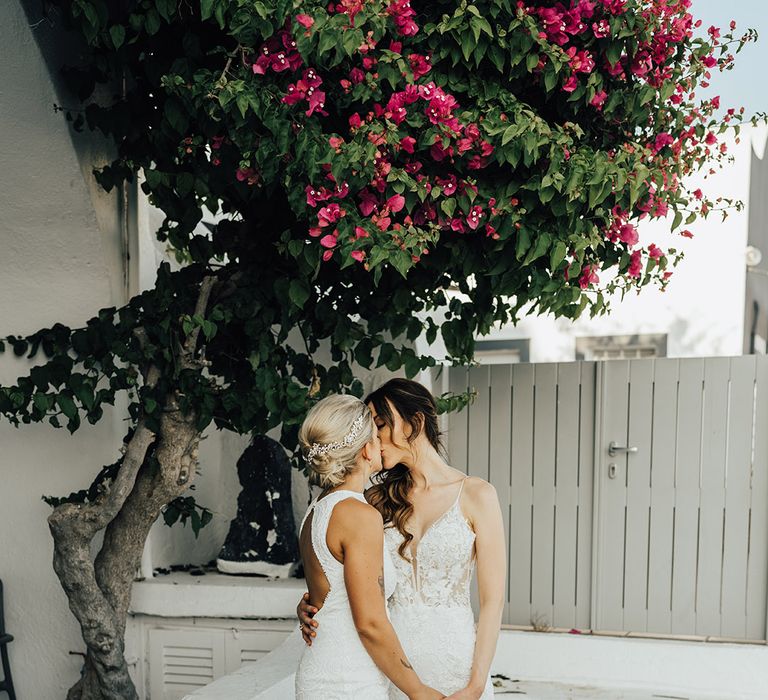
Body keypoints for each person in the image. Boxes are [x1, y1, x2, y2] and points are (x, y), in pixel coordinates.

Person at [299, 379, 506, 699]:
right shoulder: (370, 502)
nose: (374, 436)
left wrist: (476, 683)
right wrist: (315, 602)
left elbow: (492, 602)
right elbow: (345, 576)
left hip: (457, 667)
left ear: (415, 423)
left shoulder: (478, 495)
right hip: (391, 670)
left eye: (380, 424)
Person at [295, 393, 444, 700]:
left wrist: (305, 608)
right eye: (376, 436)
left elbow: (328, 595)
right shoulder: (359, 515)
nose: (381, 443)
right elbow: (371, 624)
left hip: (322, 669)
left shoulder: (317, 508)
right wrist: (419, 692)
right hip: (349, 680)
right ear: (366, 449)